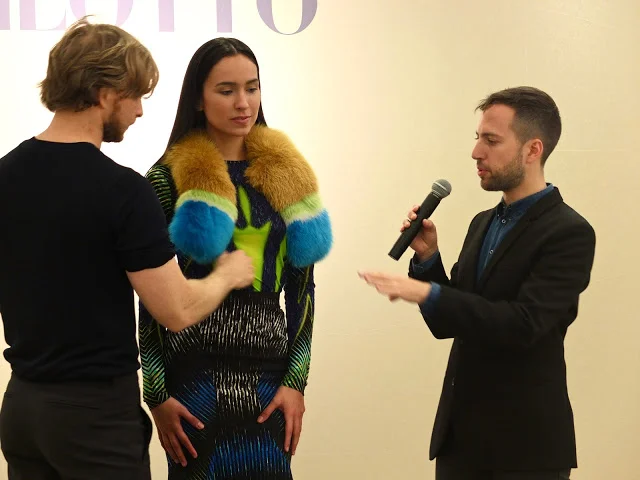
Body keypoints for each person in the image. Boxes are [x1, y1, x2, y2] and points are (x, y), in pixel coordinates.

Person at [0, 18, 254, 480]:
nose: (138, 111)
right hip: (93, 418)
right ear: (103, 94)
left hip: (22, 411)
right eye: (134, 95)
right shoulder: (122, 190)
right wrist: (228, 275)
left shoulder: (4, 176)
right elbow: (175, 309)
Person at [360, 86, 596, 480]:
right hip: (461, 444)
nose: (476, 152)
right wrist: (428, 260)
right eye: (477, 138)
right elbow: (449, 323)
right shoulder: (482, 223)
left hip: (525, 452)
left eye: (491, 140)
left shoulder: (569, 232)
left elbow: (524, 325)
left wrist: (426, 291)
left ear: (533, 150)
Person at [139, 37, 332, 479]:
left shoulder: (288, 174)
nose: (243, 103)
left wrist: (296, 382)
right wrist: (157, 393)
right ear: (198, 99)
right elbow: (151, 299)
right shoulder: (167, 178)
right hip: (193, 382)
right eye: (226, 91)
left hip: (269, 382)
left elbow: (302, 290)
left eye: (252, 87)